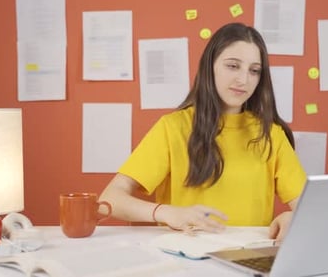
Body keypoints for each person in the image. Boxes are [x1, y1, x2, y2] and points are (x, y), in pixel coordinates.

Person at [99, 22, 306, 242]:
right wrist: (168, 213)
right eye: (233, 66)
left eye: (254, 70)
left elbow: (310, 209)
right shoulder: (173, 127)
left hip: (248, 258)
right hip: (183, 257)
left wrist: (293, 217)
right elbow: (109, 199)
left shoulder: (271, 134)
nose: (243, 80)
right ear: (210, 66)